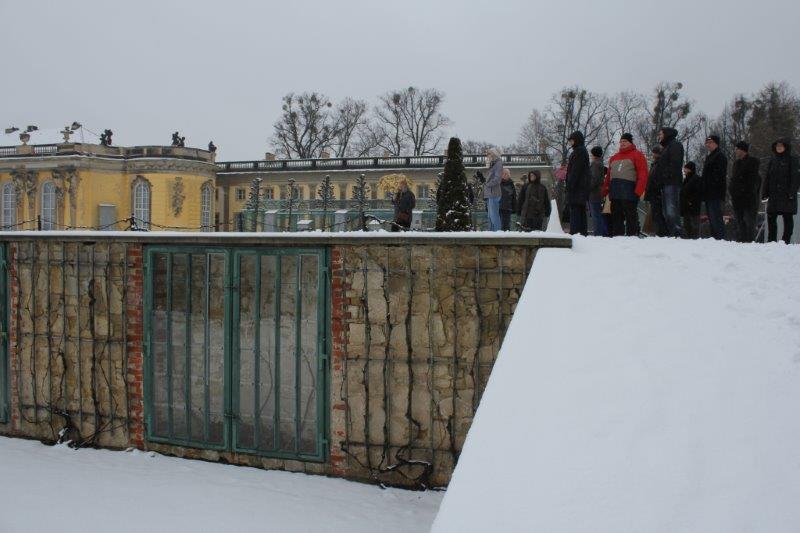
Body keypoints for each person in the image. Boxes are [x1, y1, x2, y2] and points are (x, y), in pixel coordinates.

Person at [602, 133, 648, 237]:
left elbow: (643, 174)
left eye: (625, 141)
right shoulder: (614, 158)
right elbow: (609, 176)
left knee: (631, 216)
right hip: (615, 192)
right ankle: (618, 236)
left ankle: (632, 236)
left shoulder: (638, 155)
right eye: (621, 141)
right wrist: (605, 190)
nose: (622, 143)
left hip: (630, 191)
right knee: (616, 216)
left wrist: (638, 191)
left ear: (630, 142)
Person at [762, 138, 800, 244]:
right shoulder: (773, 160)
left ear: (786, 147)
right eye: (777, 146)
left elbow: (795, 177)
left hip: (787, 194)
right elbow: (768, 177)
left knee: (787, 217)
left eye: (781, 146)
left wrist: (792, 192)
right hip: (774, 195)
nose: (778, 147)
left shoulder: (792, 159)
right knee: (771, 217)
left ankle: (785, 240)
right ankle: (771, 240)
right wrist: (765, 192)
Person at [653, 127, 685, 237]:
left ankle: (677, 232)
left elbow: (675, 164)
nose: (659, 136)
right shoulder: (666, 148)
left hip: (672, 182)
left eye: (661, 134)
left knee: (671, 210)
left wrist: (665, 176)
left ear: (667, 134)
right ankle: (672, 233)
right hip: (665, 183)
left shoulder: (675, 145)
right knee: (666, 211)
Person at [729, 141, 761, 243]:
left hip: (748, 198)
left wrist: (744, 191)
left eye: (737, 149)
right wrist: (732, 190)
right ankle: (741, 240)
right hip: (737, 198)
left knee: (749, 222)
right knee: (739, 221)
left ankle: (749, 241)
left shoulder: (753, 162)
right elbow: (734, 179)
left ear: (743, 150)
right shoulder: (736, 163)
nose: (736, 151)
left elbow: (752, 180)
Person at [701, 135, 728, 239]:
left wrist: (712, 184)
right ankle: (715, 237)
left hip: (715, 192)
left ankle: (720, 237)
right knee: (711, 217)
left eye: (710, 142)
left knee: (716, 216)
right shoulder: (709, 157)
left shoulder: (720, 156)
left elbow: (719, 175)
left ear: (716, 143)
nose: (708, 145)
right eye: (707, 143)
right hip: (708, 192)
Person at [565, 131, 590, 236]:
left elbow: (575, 170)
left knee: (576, 210)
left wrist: (570, 184)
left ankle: (575, 232)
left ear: (576, 140)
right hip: (581, 186)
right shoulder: (580, 151)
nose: (570, 143)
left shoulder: (579, 152)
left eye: (572, 140)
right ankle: (582, 233)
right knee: (580, 210)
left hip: (577, 187)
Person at [644, 145, 667, 236]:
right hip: (653, 192)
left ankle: (661, 232)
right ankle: (658, 231)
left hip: (656, 193)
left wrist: (655, 187)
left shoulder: (660, 164)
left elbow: (657, 178)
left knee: (658, 214)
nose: (653, 155)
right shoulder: (654, 164)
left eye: (654, 153)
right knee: (655, 214)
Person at [680, 162, 703, 239]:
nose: (684, 170)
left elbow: (698, 193)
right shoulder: (686, 179)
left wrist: (691, 201)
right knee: (687, 225)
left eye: (686, 168)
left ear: (690, 169)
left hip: (693, 206)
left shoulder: (696, 179)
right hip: (686, 207)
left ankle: (695, 239)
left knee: (694, 225)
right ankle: (689, 238)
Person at [588, 146, 608, 236]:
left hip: (594, 193)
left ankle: (598, 234)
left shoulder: (595, 164)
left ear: (593, 154)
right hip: (598, 192)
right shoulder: (600, 163)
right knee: (598, 214)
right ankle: (602, 233)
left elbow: (594, 179)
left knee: (596, 215)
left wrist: (588, 188)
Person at [483, 148, 503, 231]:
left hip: (494, 193)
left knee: (494, 215)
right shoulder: (492, 164)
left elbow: (497, 179)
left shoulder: (498, 163)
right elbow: (489, 178)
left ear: (493, 154)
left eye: (489, 154)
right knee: (490, 216)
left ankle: (497, 233)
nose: (487, 156)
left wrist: (487, 184)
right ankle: (491, 233)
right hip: (489, 193)